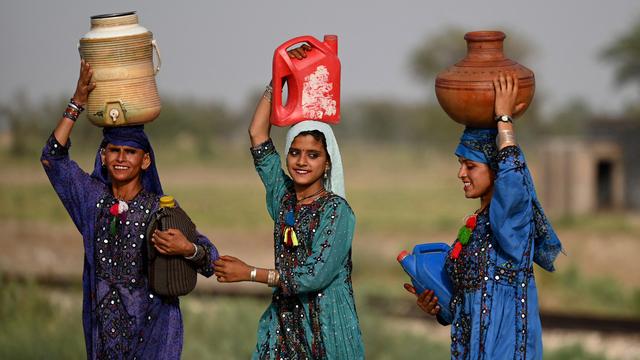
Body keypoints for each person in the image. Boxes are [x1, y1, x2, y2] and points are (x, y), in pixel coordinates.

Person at [41, 60, 219, 359]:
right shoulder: (91, 199)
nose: (121, 158)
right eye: (114, 150)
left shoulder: (160, 210)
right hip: (104, 335)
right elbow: (52, 158)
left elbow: (210, 260)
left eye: (131, 152)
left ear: (145, 161)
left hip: (153, 334)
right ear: (103, 155)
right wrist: (78, 101)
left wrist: (186, 248)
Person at [213, 45, 364, 359]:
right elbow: (257, 133)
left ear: (327, 163)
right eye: (294, 152)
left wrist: (250, 273)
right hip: (285, 324)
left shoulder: (337, 211)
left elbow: (313, 277)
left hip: (326, 326)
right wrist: (279, 79)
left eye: (313, 155)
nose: (301, 161)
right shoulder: (283, 198)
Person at [404, 73, 563, 359]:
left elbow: (514, 178)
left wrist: (503, 119)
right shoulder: (475, 225)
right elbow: (465, 305)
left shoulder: (513, 221)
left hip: (505, 346)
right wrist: (437, 306)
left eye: (470, 165)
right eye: (460, 164)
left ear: (497, 168)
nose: (460, 173)